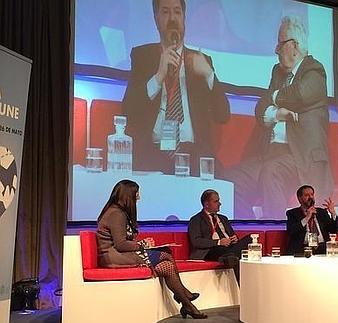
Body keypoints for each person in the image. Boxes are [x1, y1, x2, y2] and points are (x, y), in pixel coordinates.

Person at [224, 15, 332, 219]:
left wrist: (274, 96)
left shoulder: (315, 70)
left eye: (280, 44)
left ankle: (275, 232)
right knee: (232, 179)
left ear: (294, 46)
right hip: (270, 155)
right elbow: (260, 109)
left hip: (300, 157)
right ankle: (251, 230)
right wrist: (277, 113)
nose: (276, 50)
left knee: (271, 172)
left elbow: (300, 94)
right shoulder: (278, 72)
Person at [123, 0, 230, 175]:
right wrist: (158, 77)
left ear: (184, 18)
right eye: (165, 12)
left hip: (193, 152)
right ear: (156, 19)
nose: (172, 18)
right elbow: (128, 111)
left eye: (177, 12)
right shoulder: (142, 57)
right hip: (153, 151)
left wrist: (209, 74)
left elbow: (223, 115)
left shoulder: (201, 61)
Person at [96, 180, 207, 319]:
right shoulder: (116, 213)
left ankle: (186, 304)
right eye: (136, 193)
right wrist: (143, 245)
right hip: (114, 257)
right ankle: (184, 296)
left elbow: (124, 241)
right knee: (165, 254)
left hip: (120, 254)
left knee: (167, 265)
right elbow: (121, 244)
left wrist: (140, 243)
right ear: (128, 195)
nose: (138, 197)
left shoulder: (118, 212)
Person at [187, 189, 251, 284]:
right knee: (223, 250)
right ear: (207, 204)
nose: (220, 204)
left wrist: (235, 239)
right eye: (216, 201)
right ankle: (229, 257)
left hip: (228, 248)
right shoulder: (196, 219)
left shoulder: (223, 218)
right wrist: (218, 242)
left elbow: (232, 235)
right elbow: (196, 241)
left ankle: (228, 257)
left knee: (250, 238)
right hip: (211, 250)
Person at [286, 185, 338, 255]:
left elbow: (335, 230)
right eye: (306, 195)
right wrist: (307, 217)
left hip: (323, 249)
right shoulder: (292, 213)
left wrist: (333, 213)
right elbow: (291, 231)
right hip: (302, 249)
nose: (310, 197)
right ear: (299, 198)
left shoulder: (321, 212)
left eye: (312, 194)